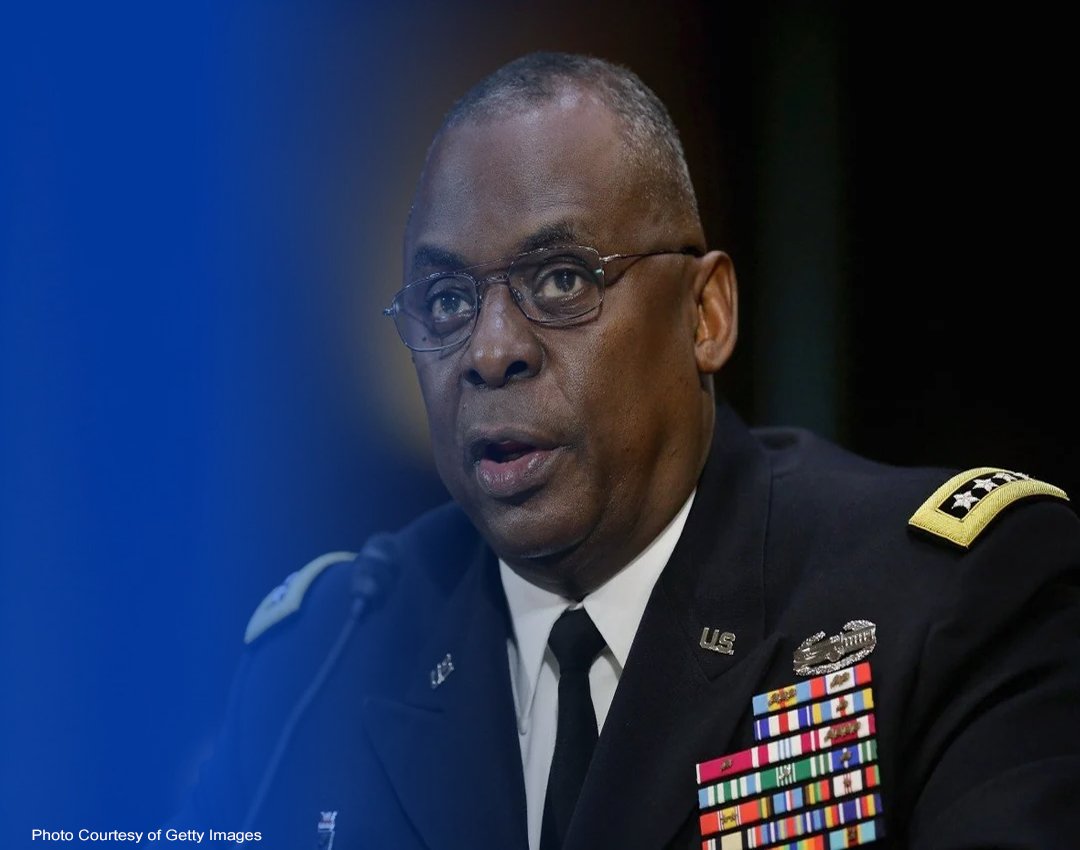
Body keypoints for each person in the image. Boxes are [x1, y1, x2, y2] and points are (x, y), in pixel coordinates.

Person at [175, 53, 1080, 850]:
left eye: (561, 279)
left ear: (705, 315)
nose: (492, 350)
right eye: (447, 300)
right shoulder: (323, 661)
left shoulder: (949, 600)